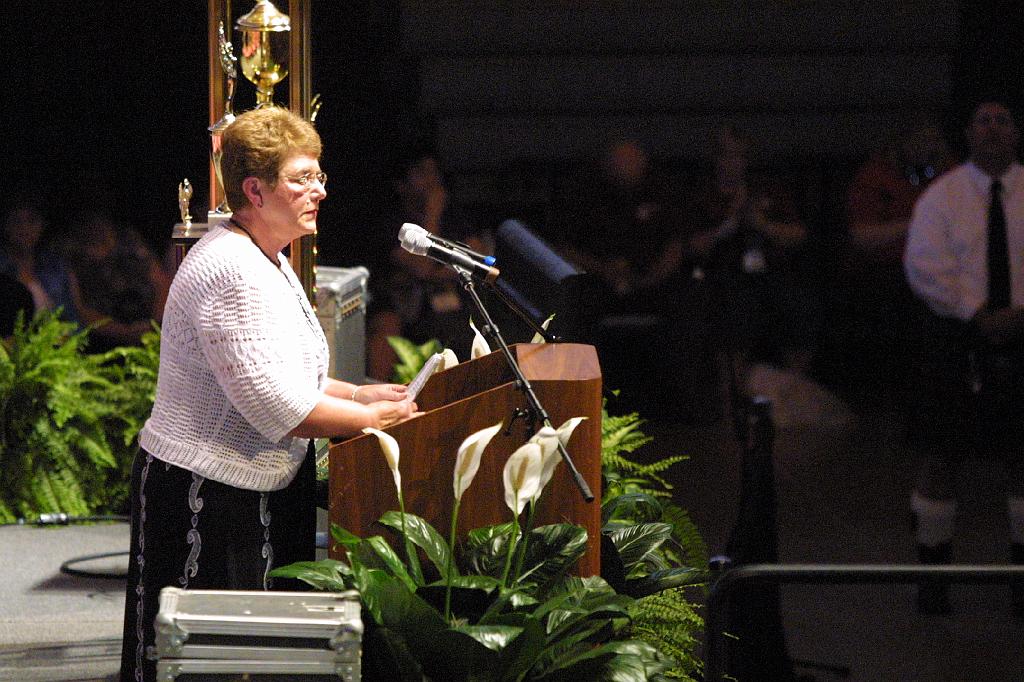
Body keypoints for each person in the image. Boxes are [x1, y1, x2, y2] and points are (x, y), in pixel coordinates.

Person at [119, 107, 418, 682]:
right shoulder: (233, 269)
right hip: (204, 495)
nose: (319, 191)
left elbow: (289, 372)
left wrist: (357, 393)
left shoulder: (267, 256)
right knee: (205, 662)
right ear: (254, 190)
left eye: (320, 176)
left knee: (252, 657)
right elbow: (278, 407)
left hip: (248, 486)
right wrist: (372, 417)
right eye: (302, 178)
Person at [903, 96, 1024, 616]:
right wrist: (976, 313)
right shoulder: (942, 197)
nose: (993, 130)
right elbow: (924, 266)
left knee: (1022, 459)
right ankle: (934, 576)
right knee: (941, 457)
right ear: (969, 134)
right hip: (956, 339)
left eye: (1002, 120)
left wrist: (1018, 313)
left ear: (1016, 133)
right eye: (983, 121)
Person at [836, 112, 954, 402]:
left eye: (931, 140)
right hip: (884, 270)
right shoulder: (875, 176)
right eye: (918, 140)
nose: (925, 147)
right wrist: (915, 224)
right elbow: (861, 237)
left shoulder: (949, 174)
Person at [365, 148, 481, 380]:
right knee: (386, 327)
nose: (432, 180)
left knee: (467, 321)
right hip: (402, 305)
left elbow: (476, 259)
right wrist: (432, 213)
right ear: (402, 184)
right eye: (422, 173)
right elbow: (422, 267)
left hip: (444, 301)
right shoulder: (393, 221)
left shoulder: (454, 215)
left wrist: (436, 275)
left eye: (433, 172)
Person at [64, 211, 171, 353]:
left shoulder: (128, 239)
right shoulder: (73, 253)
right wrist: (126, 332)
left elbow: (161, 282)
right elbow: (81, 309)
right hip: (104, 344)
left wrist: (154, 326)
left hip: (153, 333)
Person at [0, 201, 80, 325]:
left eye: (32, 220)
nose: (24, 228)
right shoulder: (4, 267)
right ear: (5, 226)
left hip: (70, 338)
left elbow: (79, 311)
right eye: (16, 221)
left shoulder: (56, 264)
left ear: (42, 224)